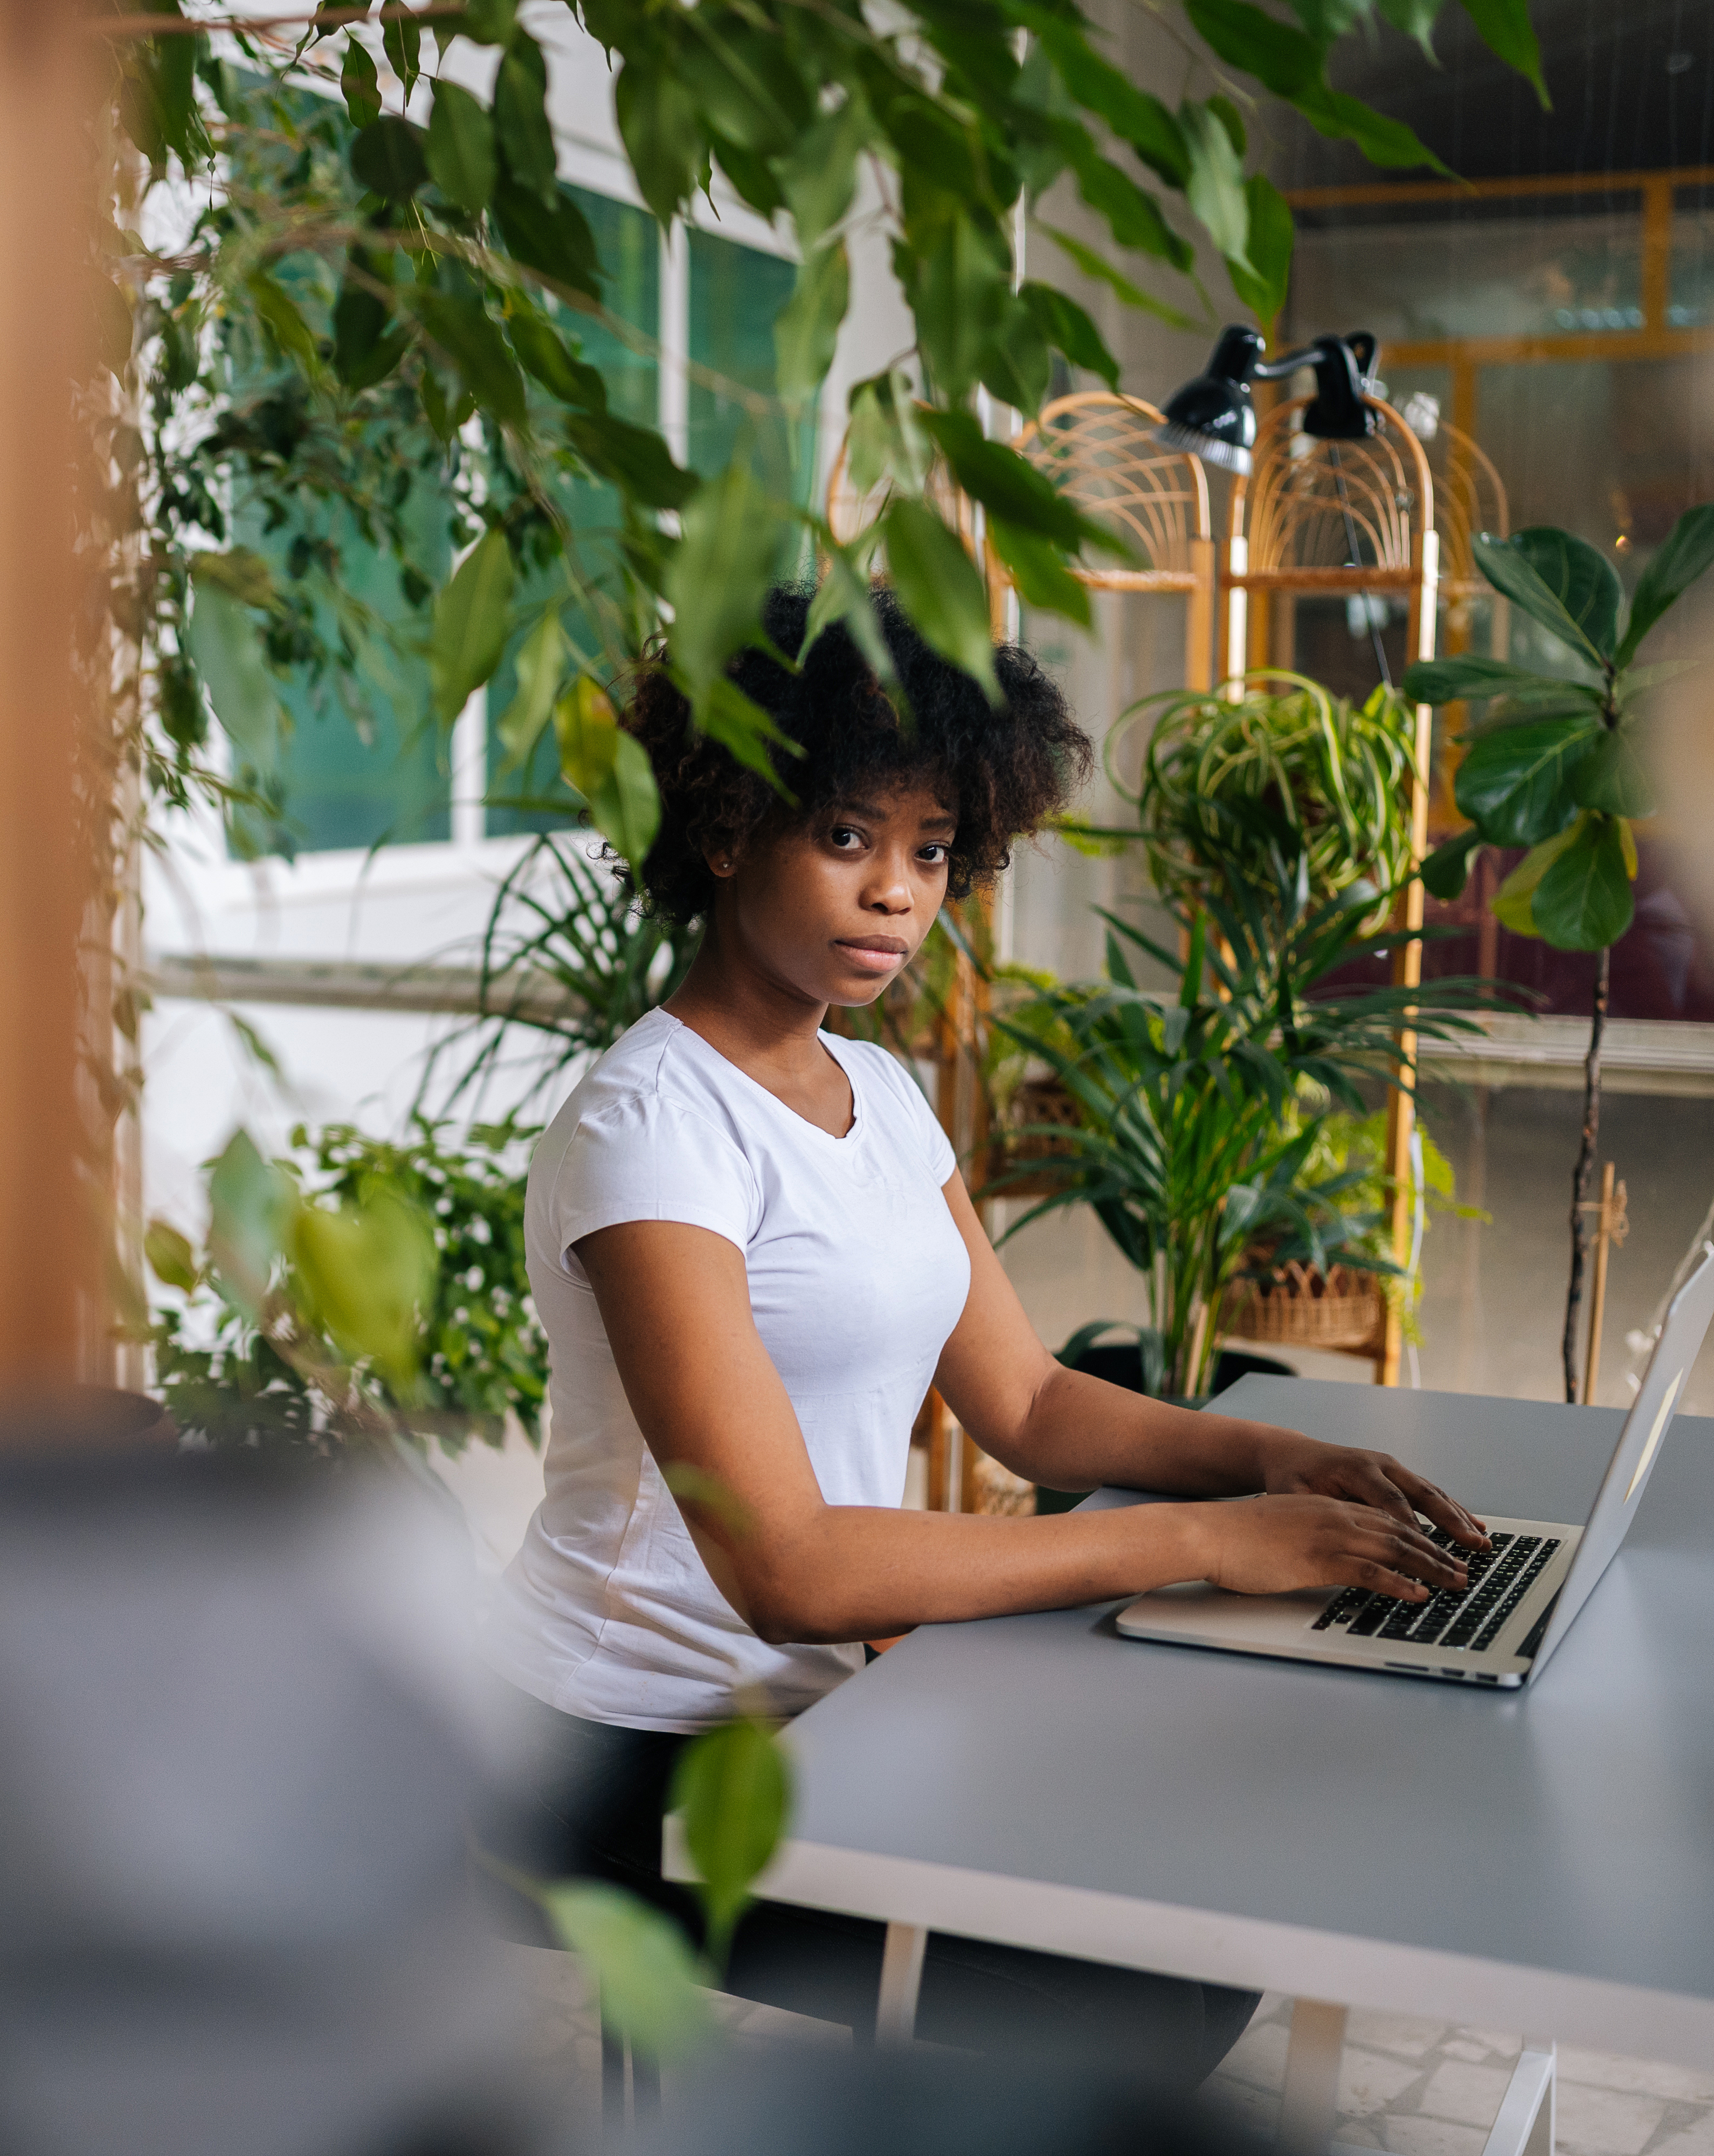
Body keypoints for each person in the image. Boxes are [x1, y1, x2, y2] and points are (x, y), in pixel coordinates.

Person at [480, 584, 1487, 2079]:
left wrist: (1276, 1457)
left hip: (826, 1705)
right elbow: (791, 1566)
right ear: (725, 827)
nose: (898, 891)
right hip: (624, 1746)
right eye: (846, 838)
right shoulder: (654, 1131)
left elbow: (1023, 1399)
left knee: (1217, 1904)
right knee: (1144, 1997)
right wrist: (1202, 1543)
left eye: (933, 850)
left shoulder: (877, 1092)